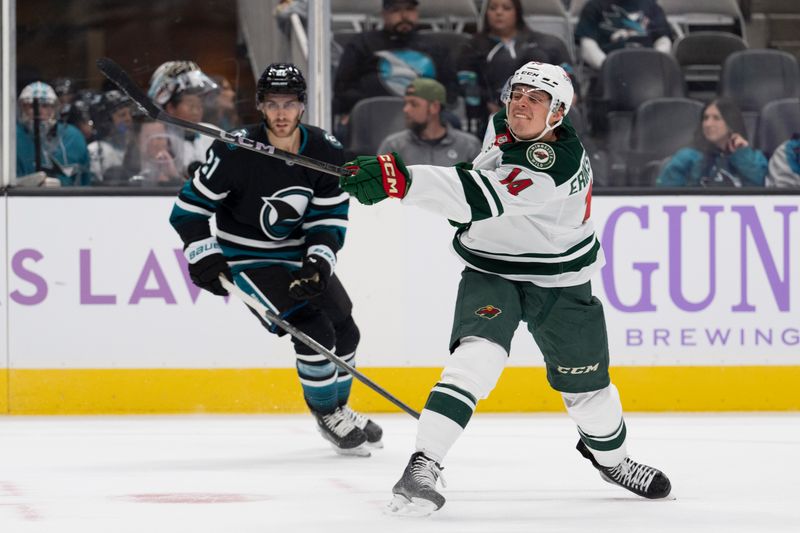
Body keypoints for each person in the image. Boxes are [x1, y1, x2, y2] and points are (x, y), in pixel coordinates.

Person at [340, 61, 672, 515]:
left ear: (558, 114)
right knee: (476, 358)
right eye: (517, 93)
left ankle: (613, 461)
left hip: (560, 280)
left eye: (536, 99)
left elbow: (480, 194)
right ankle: (423, 464)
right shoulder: (504, 126)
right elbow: (481, 176)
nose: (521, 103)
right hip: (492, 270)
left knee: (589, 391)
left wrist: (400, 179)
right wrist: (463, 210)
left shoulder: (553, 165)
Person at [168, 63, 382, 456]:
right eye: (272, 104)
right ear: (259, 107)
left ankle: (340, 407)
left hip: (297, 255)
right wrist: (203, 255)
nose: (281, 114)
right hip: (248, 261)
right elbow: (187, 211)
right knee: (314, 330)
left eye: (289, 104)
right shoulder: (233, 151)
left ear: (303, 106)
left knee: (345, 327)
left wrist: (318, 262)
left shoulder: (325, 150)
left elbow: (328, 217)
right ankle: (326, 414)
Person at [332, 0, 459, 125]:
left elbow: (450, 89)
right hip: (375, 115)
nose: (404, 16)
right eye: (395, 10)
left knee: (451, 122)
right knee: (347, 128)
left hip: (426, 115)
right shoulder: (362, 43)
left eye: (409, 9)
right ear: (384, 14)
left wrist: (428, 107)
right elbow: (343, 88)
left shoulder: (436, 47)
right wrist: (358, 109)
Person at [457, 0, 572, 135]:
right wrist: (492, 102)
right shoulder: (473, 47)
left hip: (543, 108)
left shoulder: (543, 44)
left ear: (517, 12)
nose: (499, 12)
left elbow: (569, 78)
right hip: (491, 110)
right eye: (493, 8)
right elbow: (467, 85)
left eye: (506, 8)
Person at [656, 98, 767, 187]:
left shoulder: (755, 158)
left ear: (731, 123)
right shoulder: (687, 157)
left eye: (716, 118)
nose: (708, 124)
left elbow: (761, 190)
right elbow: (666, 196)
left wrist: (742, 155)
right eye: (705, 118)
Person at [378, 78, 481, 165]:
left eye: (414, 104)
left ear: (434, 107)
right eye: (406, 103)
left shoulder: (469, 146)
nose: (406, 109)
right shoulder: (393, 146)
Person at [148, 60, 219, 178]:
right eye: (191, 105)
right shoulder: (158, 140)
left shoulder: (213, 134)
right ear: (170, 107)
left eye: (199, 105)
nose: (197, 111)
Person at [16, 81, 91, 186]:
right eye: (32, 106)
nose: (39, 111)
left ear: (54, 108)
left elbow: (85, 181)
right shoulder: (10, 137)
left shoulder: (74, 137)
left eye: (45, 105)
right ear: (22, 108)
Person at [574, 0, 672, 71]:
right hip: (612, 66)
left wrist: (656, 62)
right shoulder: (594, 6)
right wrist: (607, 67)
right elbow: (587, 46)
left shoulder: (651, 5)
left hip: (648, 65)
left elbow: (663, 39)